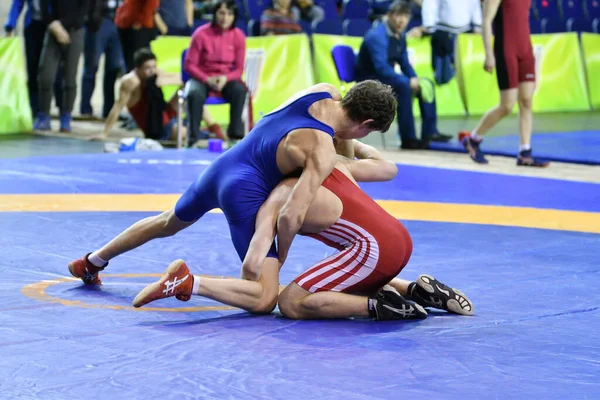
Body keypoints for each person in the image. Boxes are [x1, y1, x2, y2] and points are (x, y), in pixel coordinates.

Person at [68, 80, 398, 313]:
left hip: (224, 165)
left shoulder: (321, 91)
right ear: (366, 124)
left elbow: (308, 126)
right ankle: (187, 282)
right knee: (265, 298)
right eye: (367, 132)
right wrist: (278, 255)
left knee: (167, 221)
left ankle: (92, 260)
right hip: (245, 192)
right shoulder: (322, 153)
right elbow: (292, 216)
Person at [132, 139, 474, 321]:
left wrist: (265, 268)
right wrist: (352, 145)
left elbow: (254, 265)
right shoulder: (337, 166)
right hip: (397, 242)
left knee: (291, 301)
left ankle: (382, 307)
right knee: (339, 272)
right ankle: (414, 289)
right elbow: (389, 168)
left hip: (372, 252)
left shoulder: (281, 196)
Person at [458, 0, 549, 167]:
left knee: (527, 100)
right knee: (507, 105)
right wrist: (489, 54)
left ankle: (525, 152)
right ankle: (473, 139)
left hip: (525, 48)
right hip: (506, 49)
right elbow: (486, 21)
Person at [355, 0, 452, 150]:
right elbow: (381, 68)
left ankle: (430, 132)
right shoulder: (376, 36)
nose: (402, 20)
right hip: (369, 80)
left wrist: (415, 79)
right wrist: (408, 81)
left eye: (406, 16)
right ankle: (408, 139)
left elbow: (404, 63)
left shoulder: (400, 35)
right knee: (404, 86)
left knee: (426, 84)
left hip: (384, 77)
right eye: (398, 15)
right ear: (389, 15)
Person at [184, 0, 248, 143]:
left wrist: (226, 78)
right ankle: (193, 138)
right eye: (221, 13)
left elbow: (238, 69)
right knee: (193, 93)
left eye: (229, 14)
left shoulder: (238, 36)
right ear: (214, 14)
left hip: (225, 79)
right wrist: (207, 79)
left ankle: (235, 137)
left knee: (240, 90)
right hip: (202, 78)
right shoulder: (200, 34)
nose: (225, 18)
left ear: (234, 16)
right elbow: (190, 65)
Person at [92, 48, 187, 141]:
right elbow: (118, 107)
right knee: (188, 134)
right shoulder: (131, 82)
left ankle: (193, 122)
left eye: (154, 66)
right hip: (157, 126)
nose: (152, 71)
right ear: (138, 69)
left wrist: (165, 81)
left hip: (165, 113)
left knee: (188, 87)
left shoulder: (154, 72)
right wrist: (105, 133)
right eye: (147, 68)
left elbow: (181, 77)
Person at [34, 0, 89, 133]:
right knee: (45, 76)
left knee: (69, 78)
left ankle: (66, 116)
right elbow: (43, 6)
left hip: (74, 30)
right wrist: (52, 24)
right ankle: (44, 115)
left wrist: (62, 24)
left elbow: (82, 10)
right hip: (53, 31)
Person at [4, 0, 63, 118]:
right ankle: (34, 108)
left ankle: (62, 108)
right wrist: (10, 25)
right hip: (33, 26)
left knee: (55, 70)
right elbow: (18, 3)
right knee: (33, 68)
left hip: (54, 26)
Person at [80, 0, 125, 119]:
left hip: (118, 22)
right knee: (91, 66)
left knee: (113, 68)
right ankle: (85, 109)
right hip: (98, 22)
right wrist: (91, 18)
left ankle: (109, 110)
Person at [421, 0, 482, 85]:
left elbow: (475, 4)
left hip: (465, 32)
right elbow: (430, 3)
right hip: (443, 31)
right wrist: (429, 25)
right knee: (442, 77)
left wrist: (477, 24)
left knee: (465, 73)